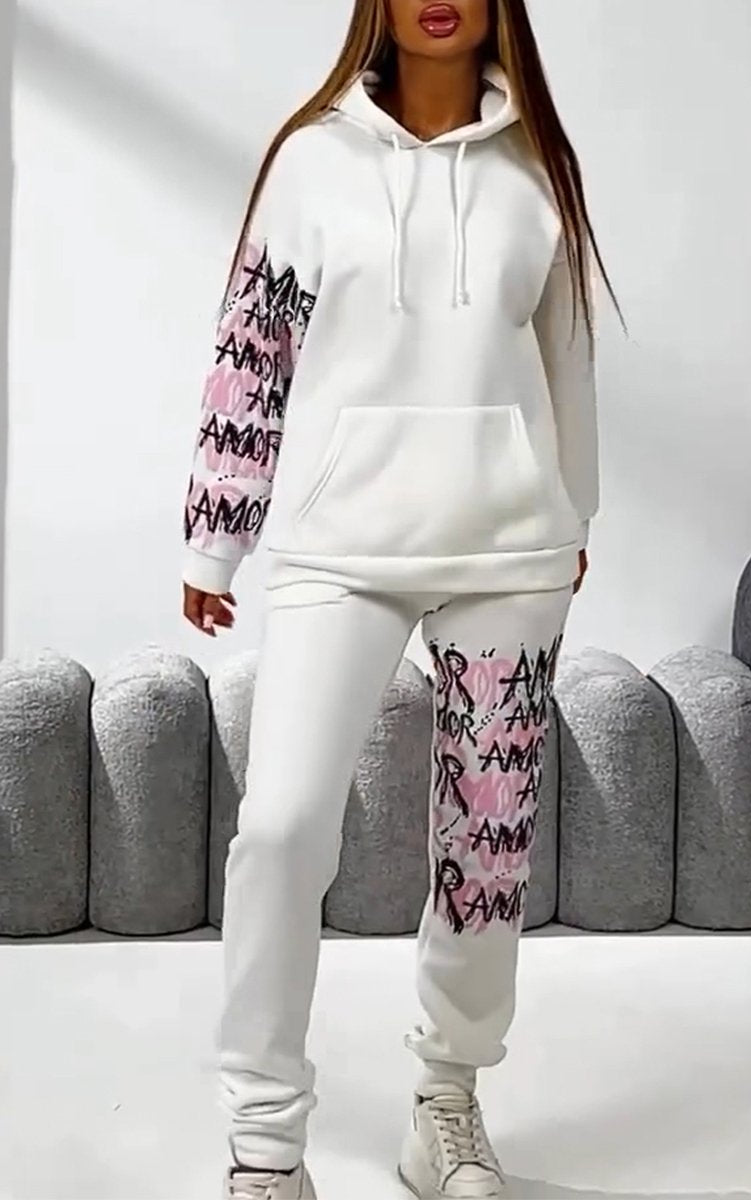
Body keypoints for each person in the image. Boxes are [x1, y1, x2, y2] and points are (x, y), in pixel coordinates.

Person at [182, 2, 621, 1196]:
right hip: (339, 547)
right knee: (281, 829)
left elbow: (567, 353)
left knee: (485, 848)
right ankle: (264, 1145)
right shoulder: (311, 159)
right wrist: (217, 539)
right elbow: (253, 351)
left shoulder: (538, 162)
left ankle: (445, 1105)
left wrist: (572, 513)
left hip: (510, 548)